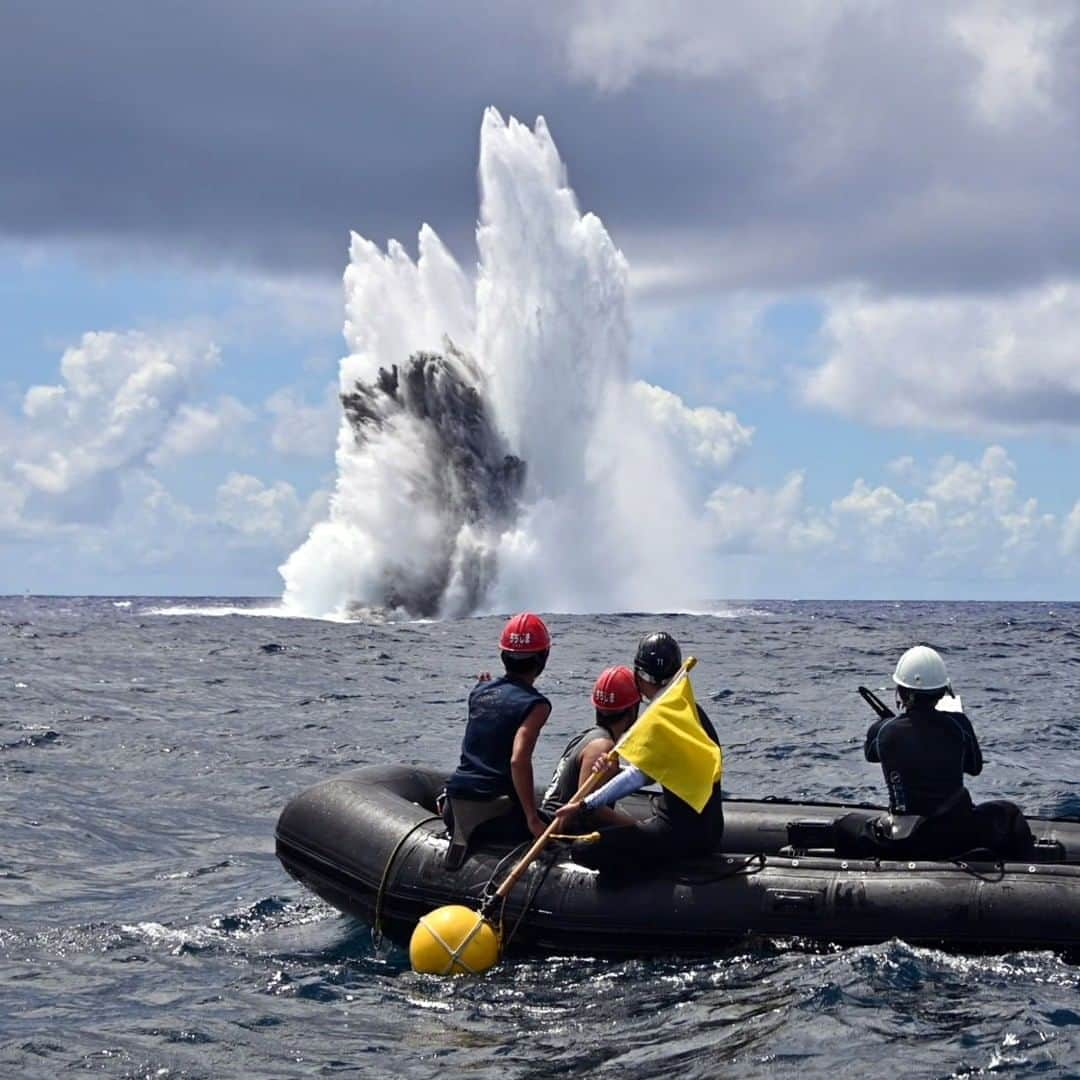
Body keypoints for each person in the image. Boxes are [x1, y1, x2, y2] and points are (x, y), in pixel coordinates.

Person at [554, 631, 724, 873]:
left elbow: (637, 777)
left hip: (680, 835)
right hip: (711, 829)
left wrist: (585, 804)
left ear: (639, 676)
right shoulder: (688, 710)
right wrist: (615, 770)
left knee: (584, 849)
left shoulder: (660, 718)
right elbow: (655, 769)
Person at [837, 645, 1030, 858]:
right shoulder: (959, 725)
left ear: (900, 691)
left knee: (844, 825)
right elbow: (974, 768)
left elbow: (872, 754)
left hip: (906, 839)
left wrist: (892, 725)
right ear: (942, 692)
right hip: (958, 836)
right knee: (1009, 813)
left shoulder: (882, 730)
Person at [443, 612, 552, 845]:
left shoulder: (479, 690)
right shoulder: (536, 705)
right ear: (543, 658)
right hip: (492, 817)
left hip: (452, 811)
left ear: (503, 656)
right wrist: (532, 819)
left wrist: (485, 684)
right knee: (559, 829)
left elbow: (494, 715)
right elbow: (518, 760)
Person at [540, 665, 641, 830]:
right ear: (632, 710)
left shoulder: (586, 737)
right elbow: (590, 810)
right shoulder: (602, 746)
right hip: (557, 828)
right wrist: (639, 827)